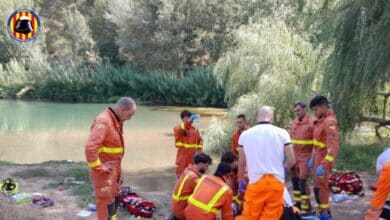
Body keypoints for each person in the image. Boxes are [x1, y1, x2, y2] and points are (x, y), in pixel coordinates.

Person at [236, 106, 296, 220]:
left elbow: (242, 163)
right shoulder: (282, 133)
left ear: (257, 117)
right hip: (276, 183)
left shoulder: (245, 135)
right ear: (272, 118)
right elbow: (292, 160)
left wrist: (241, 181)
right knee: (271, 216)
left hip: (255, 182)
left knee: (250, 216)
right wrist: (282, 168)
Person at [85, 97, 137, 220]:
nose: (129, 119)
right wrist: (99, 167)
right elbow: (90, 147)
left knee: (114, 200)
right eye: (129, 115)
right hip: (104, 174)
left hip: (112, 173)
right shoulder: (104, 121)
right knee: (105, 205)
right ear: (123, 109)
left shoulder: (116, 121)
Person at [308, 95, 339, 220]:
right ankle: (322, 210)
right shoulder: (320, 120)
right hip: (317, 158)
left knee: (322, 187)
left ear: (322, 106)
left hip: (323, 161)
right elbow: (317, 143)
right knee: (316, 187)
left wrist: (324, 165)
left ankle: (326, 213)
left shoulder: (329, 122)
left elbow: (333, 148)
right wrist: (312, 158)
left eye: (315, 110)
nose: (314, 113)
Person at [171, 152, 212, 220]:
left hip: (176, 207)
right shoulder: (194, 178)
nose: (207, 169)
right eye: (206, 166)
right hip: (181, 212)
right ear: (201, 164)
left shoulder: (187, 170)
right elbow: (206, 196)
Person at [290, 102, 314, 213]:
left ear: (305, 110)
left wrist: (313, 157)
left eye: (298, 110)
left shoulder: (311, 123)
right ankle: (298, 204)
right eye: (295, 111)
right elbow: (290, 140)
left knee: (302, 181)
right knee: (294, 181)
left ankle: (307, 207)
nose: (297, 113)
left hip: (306, 156)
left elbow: (317, 141)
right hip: (294, 155)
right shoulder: (294, 123)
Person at [174, 110, 203, 178]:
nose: (188, 119)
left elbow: (200, 140)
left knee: (193, 177)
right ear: (182, 119)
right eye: (186, 118)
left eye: (189, 117)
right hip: (183, 157)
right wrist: (190, 121)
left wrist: (199, 151)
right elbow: (183, 126)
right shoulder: (178, 128)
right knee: (181, 176)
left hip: (193, 157)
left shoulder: (195, 129)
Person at [364, 148, 390, 220]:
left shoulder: (381, 157)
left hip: (389, 168)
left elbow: (380, 173)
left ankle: (370, 218)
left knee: (380, 195)